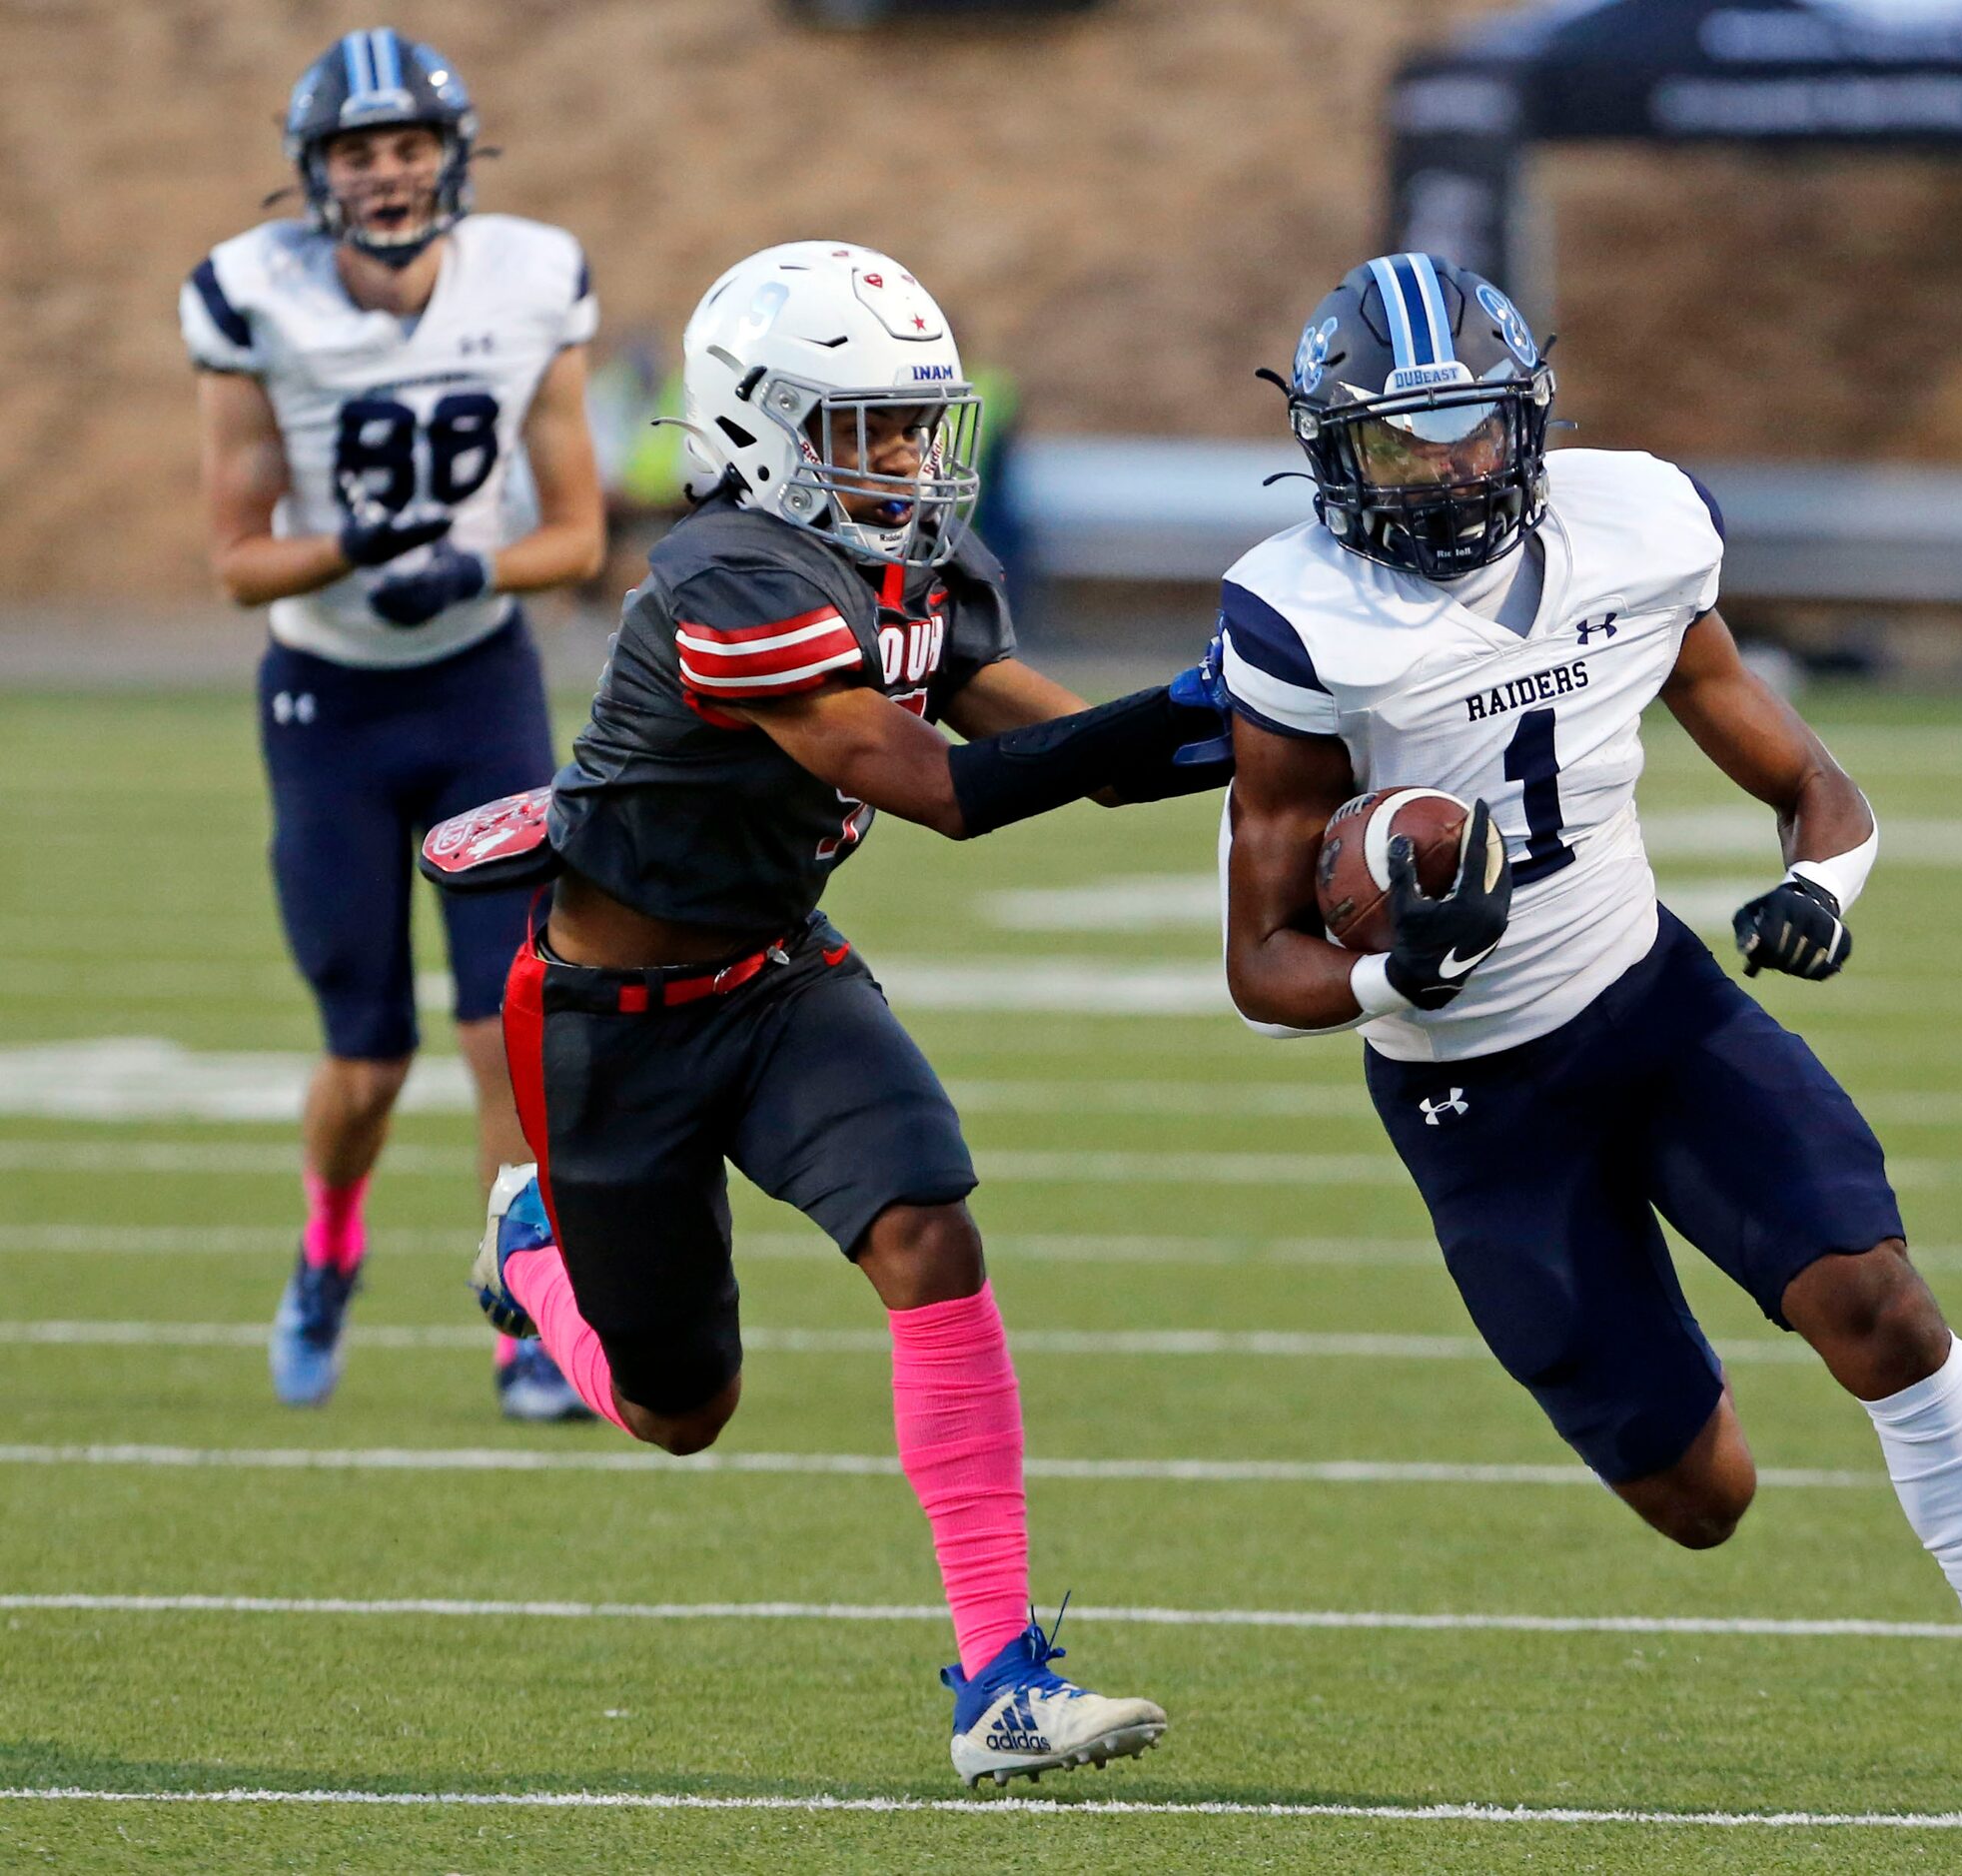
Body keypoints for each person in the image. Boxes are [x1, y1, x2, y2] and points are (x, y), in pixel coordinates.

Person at [1218, 253, 1962, 1829]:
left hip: (1654, 1005)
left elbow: (1814, 785)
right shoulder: (1304, 623)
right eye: (1398, 442)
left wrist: (1817, 888)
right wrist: (1406, 979)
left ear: (1527, 425)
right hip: (1475, 1099)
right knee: (1697, 1499)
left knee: (1881, 1307)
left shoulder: (1636, 526)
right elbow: (1261, 962)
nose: (1441, 474)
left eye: (1466, 434)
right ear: (1333, 453)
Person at [437, 242, 1228, 1785]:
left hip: (776, 969)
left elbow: (1087, 751)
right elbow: (930, 784)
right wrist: (1198, 700)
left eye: (915, 424)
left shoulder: (914, 567)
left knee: (930, 1225)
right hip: (614, 1014)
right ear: (755, 427)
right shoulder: (728, 572)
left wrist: (1278, 718)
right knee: (683, 1409)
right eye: (861, 427)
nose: (904, 461)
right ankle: (534, 1248)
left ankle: (998, 1686)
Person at [183, 30, 605, 1420]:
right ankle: (327, 1246)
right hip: (329, 699)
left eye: (408, 146)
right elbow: (239, 558)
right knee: (367, 1058)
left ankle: (527, 1316)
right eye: (359, 152)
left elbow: (577, 532)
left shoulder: (533, 275)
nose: (386, 173)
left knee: (508, 1025)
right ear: (316, 173)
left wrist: (469, 566)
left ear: (452, 156)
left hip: (477, 680)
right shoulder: (253, 299)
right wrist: (351, 549)